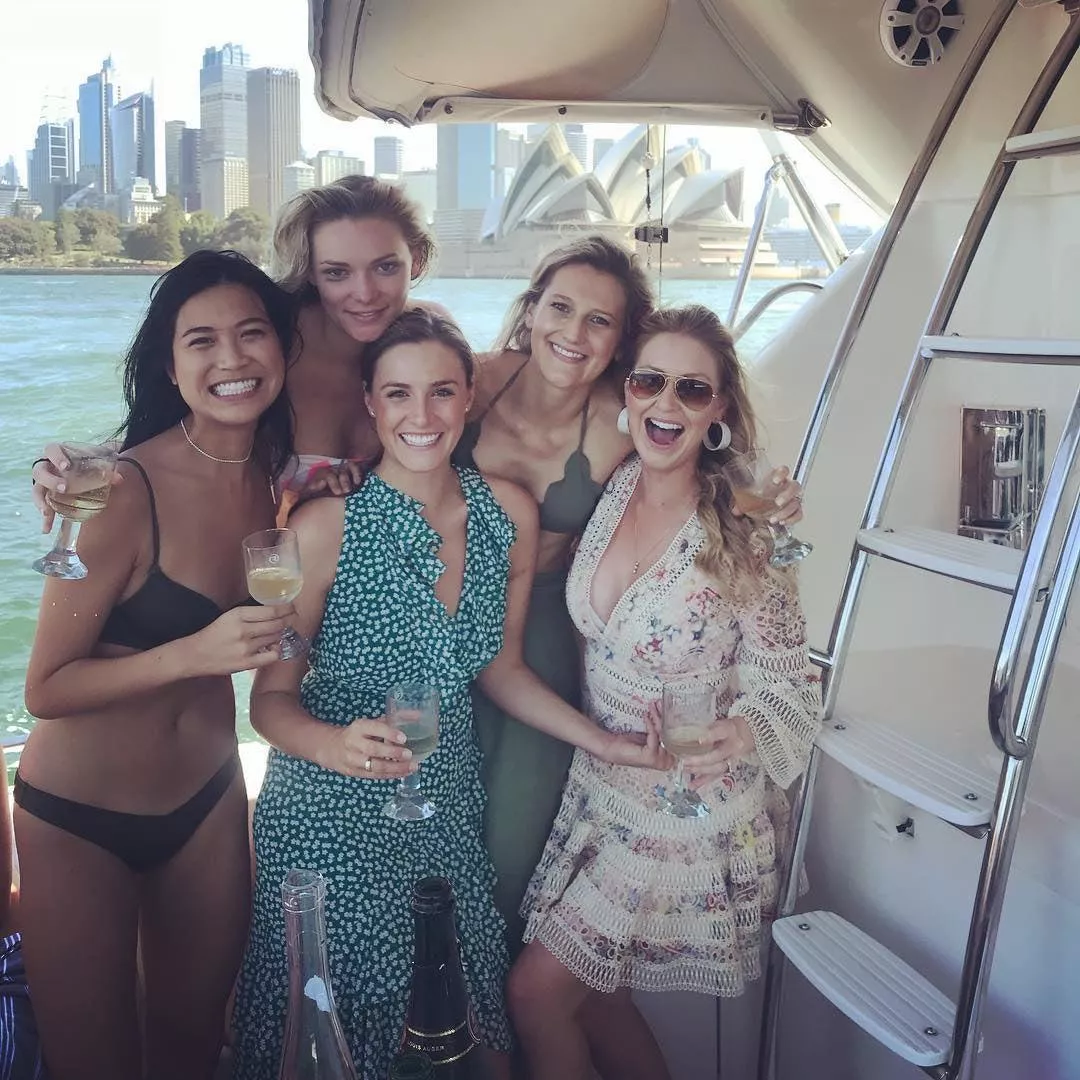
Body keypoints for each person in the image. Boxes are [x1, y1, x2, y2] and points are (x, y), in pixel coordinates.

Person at [228, 309, 669, 1080]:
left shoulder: (509, 514)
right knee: (347, 1021)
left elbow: (501, 669)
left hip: (446, 799)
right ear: (371, 404)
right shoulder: (326, 526)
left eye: (440, 392)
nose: (421, 415)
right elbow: (269, 702)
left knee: (474, 1017)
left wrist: (601, 740)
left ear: (469, 397)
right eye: (399, 394)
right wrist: (335, 744)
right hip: (327, 806)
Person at [453, 236, 805, 949]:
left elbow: (702, 450)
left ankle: (501, 1009)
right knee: (439, 845)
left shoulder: (625, 409)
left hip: (539, 639)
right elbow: (392, 425)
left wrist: (761, 500)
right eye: (560, 307)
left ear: (618, 342)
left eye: (600, 321)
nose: (573, 333)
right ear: (531, 308)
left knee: (511, 858)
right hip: (437, 627)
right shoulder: (470, 382)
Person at [506, 305, 822, 1080]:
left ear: (718, 410)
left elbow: (791, 682)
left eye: (692, 389)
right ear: (627, 391)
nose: (666, 403)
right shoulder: (614, 487)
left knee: (536, 995)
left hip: (682, 807)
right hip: (602, 786)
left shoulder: (749, 528)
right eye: (650, 381)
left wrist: (739, 732)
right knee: (597, 999)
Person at [16, 251, 297, 1080]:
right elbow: (46, 688)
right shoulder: (117, 490)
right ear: (171, 368)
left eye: (251, 334)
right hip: (79, 818)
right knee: (92, 1062)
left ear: (283, 348)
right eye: (201, 341)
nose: (231, 358)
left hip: (206, 804)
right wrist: (194, 654)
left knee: (191, 1049)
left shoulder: (282, 478)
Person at [31, 175, 437, 524]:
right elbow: (189, 431)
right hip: (262, 574)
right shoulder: (266, 336)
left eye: (386, 267)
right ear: (311, 272)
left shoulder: (432, 340)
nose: (364, 293)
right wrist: (78, 465)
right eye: (337, 272)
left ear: (416, 260)